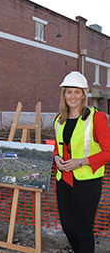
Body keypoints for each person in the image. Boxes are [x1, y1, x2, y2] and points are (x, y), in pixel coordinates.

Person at [53, 71, 110, 253]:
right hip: (63, 181)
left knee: (84, 231)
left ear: (84, 94)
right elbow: (57, 147)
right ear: (64, 95)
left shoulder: (96, 118)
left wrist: (81, 162)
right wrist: (56, 158)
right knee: (68, 227)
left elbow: (107, 152)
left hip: (87, 182)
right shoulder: (58, 119)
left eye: (77, 92)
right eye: (69, 92)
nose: (72, 96)